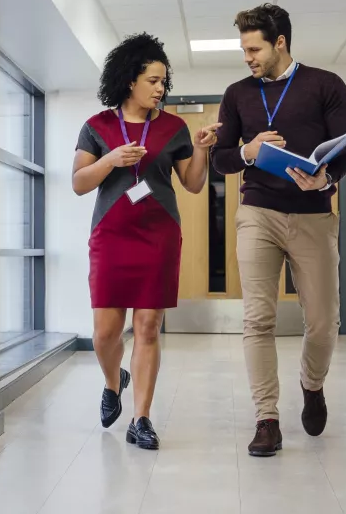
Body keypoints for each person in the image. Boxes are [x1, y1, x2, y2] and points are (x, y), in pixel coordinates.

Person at [210, 4, 346, 457]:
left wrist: (326, 177)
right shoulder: (237, 93)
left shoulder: (326, 85)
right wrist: (249, 151)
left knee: (322, 322)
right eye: (243, 49)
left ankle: (312, 385)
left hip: (313, 213)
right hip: (258, 212)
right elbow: (221, 158)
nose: (247, 57)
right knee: (257, 318)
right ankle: (267, 418)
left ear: (280, 43)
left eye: (253, 48)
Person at [73, 33, 220, 450]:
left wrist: (202, 150)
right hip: (111, 236)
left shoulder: (174, 127)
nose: (161, 88)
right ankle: (112, 380)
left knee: (148, 328)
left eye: (163, 81)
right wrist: (109, 160)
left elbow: (192, 185)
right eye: (153, 80)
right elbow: (79, 183)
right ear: (130, 80)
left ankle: (141, 418)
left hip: (158, 236)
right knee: (105, 332)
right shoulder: (97, 127)